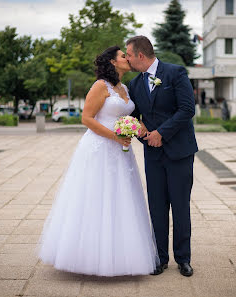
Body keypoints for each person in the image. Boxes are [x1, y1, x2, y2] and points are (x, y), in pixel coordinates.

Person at [38, 46, 159, 277]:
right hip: (99, 148)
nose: (127, 58)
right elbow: (87, 118)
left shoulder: (124, 87)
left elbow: (127, 116)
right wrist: (115, 136)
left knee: (121, 198)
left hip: (121, 151)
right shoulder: (100, 86)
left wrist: (134, 128)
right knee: (95, 198)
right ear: (113, 62)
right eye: (123, 55)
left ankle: (122, 255)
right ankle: (88, 256)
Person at [125, 36, 198, 277]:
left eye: (128, 54)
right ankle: (160, 258)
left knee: (180, 206)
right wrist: (144, 136)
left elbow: (187, 109)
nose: (127, 59)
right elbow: (134, 118)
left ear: (141, 56)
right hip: (153, 154)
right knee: (156, 207)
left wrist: (161, 133)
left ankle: (183, 259)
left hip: (179, 152)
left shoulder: (175, 73)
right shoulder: (135, 85)